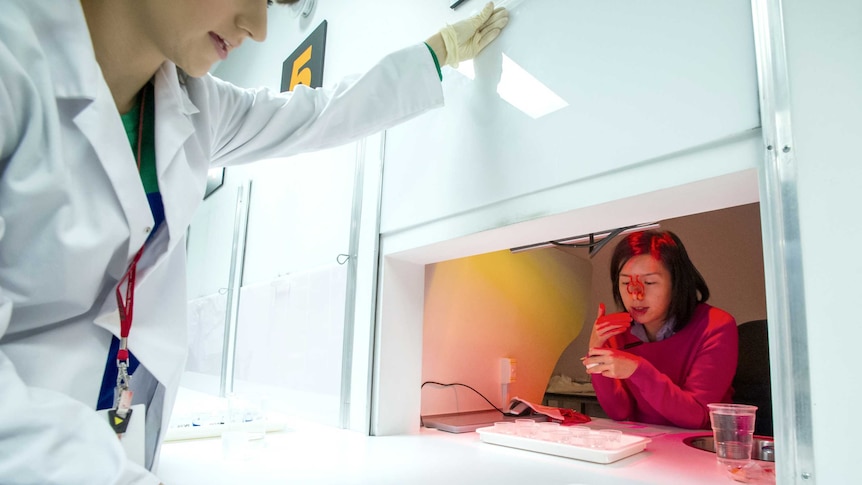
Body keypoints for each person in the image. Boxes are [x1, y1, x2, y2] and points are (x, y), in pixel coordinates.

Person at [0, 1, 508, 483]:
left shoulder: (194, 102)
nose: (258, 27)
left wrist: (437, 51)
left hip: (121, 425)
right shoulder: (14, 63)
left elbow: (317, 114)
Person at [582, 230, 738, 429]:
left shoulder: (715, 326)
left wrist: (637, 369)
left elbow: (696, 416)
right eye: (626, 283)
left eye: (649, 282)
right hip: (647, 446)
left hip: (701, 448)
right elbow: (620, 412)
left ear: (676, 283)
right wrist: (596, 355)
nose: (636, 295)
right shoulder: (617, 331)